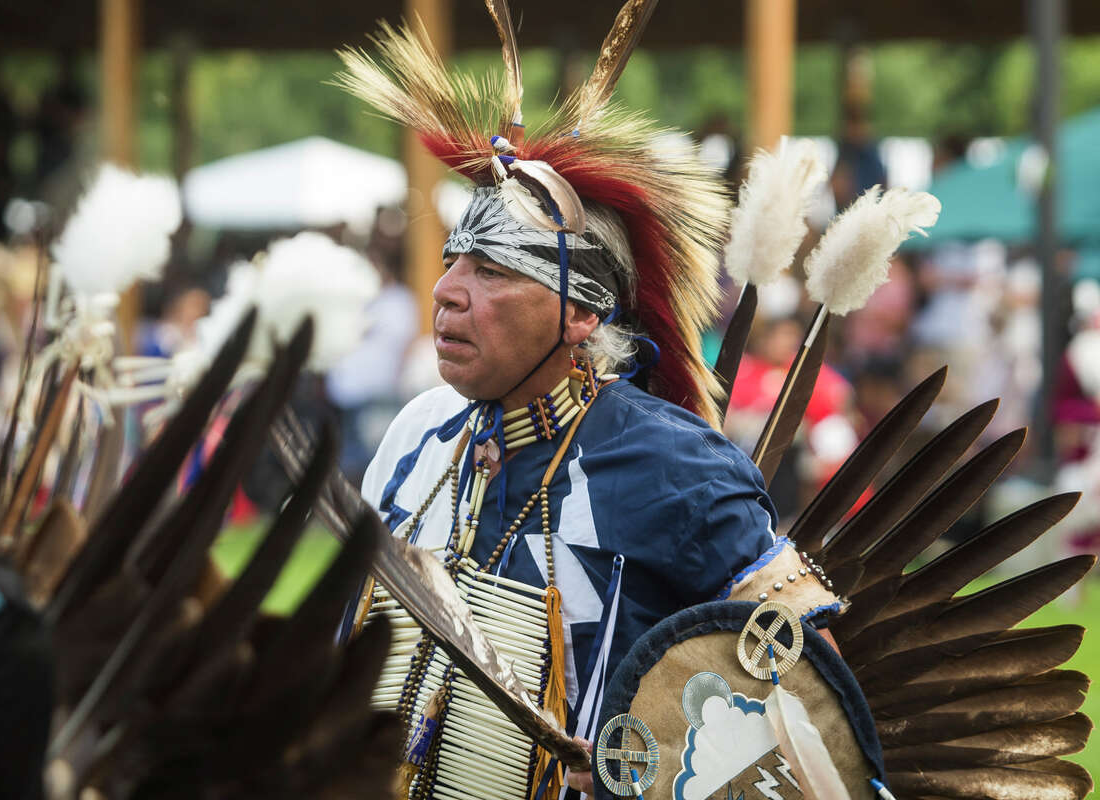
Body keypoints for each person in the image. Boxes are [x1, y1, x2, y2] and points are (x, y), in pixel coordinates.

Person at [340, 16, 840, 800]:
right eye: (452, 263)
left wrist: (655, 760)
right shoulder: (416, 439)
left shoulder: (675, 467)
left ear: (584, 312)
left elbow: (811, 681)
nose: (447, 293)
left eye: (494, 271)